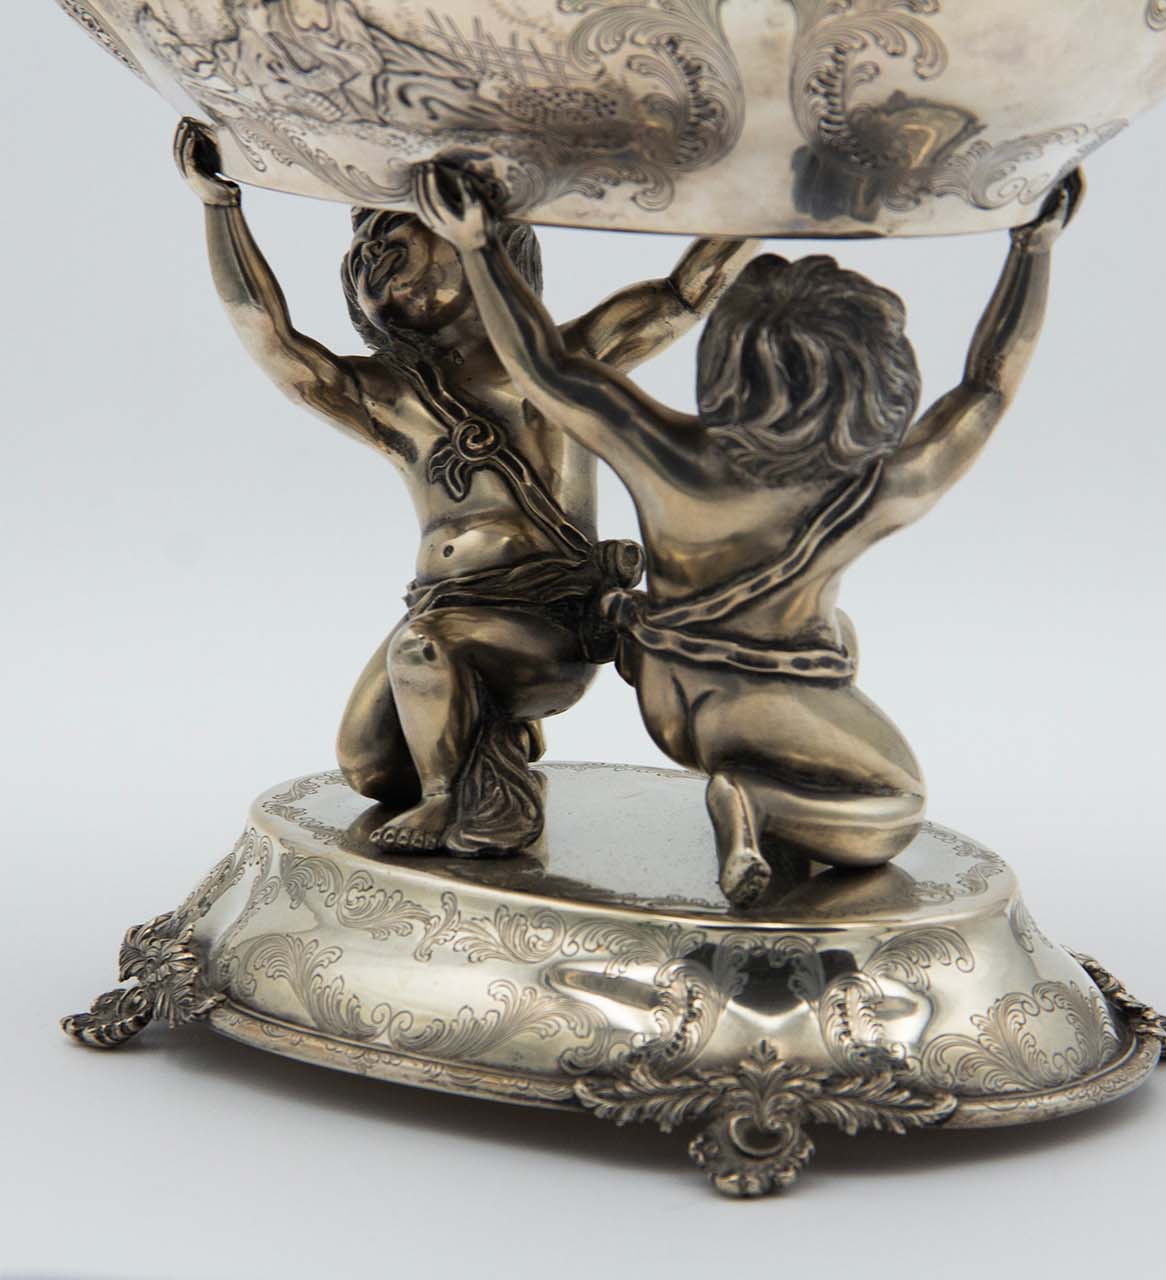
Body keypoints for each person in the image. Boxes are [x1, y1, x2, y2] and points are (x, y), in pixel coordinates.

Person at [414, 161, 1079, 901]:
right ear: (873, 380)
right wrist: (1032, 251)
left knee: (841, 635)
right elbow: (986, 387)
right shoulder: (869, 492)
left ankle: (767, 803)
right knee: (894, 810)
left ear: (726, 358)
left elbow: (543, 368)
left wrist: (478, 246)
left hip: (668, 696)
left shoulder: (666, 455)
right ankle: (752, 803)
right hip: (756, 707)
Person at [172, 119, 761, 854]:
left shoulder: (564, 365)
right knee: (370, 766)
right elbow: (272, 340)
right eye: (359, 248)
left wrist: (759, 195)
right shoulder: (390, 396)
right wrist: (220, 207)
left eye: (397, 230)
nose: (371, 252)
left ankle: (448, 798)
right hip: (442, 610)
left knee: (424, 651)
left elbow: (682, 296)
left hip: (548, 620)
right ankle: (490, 746)